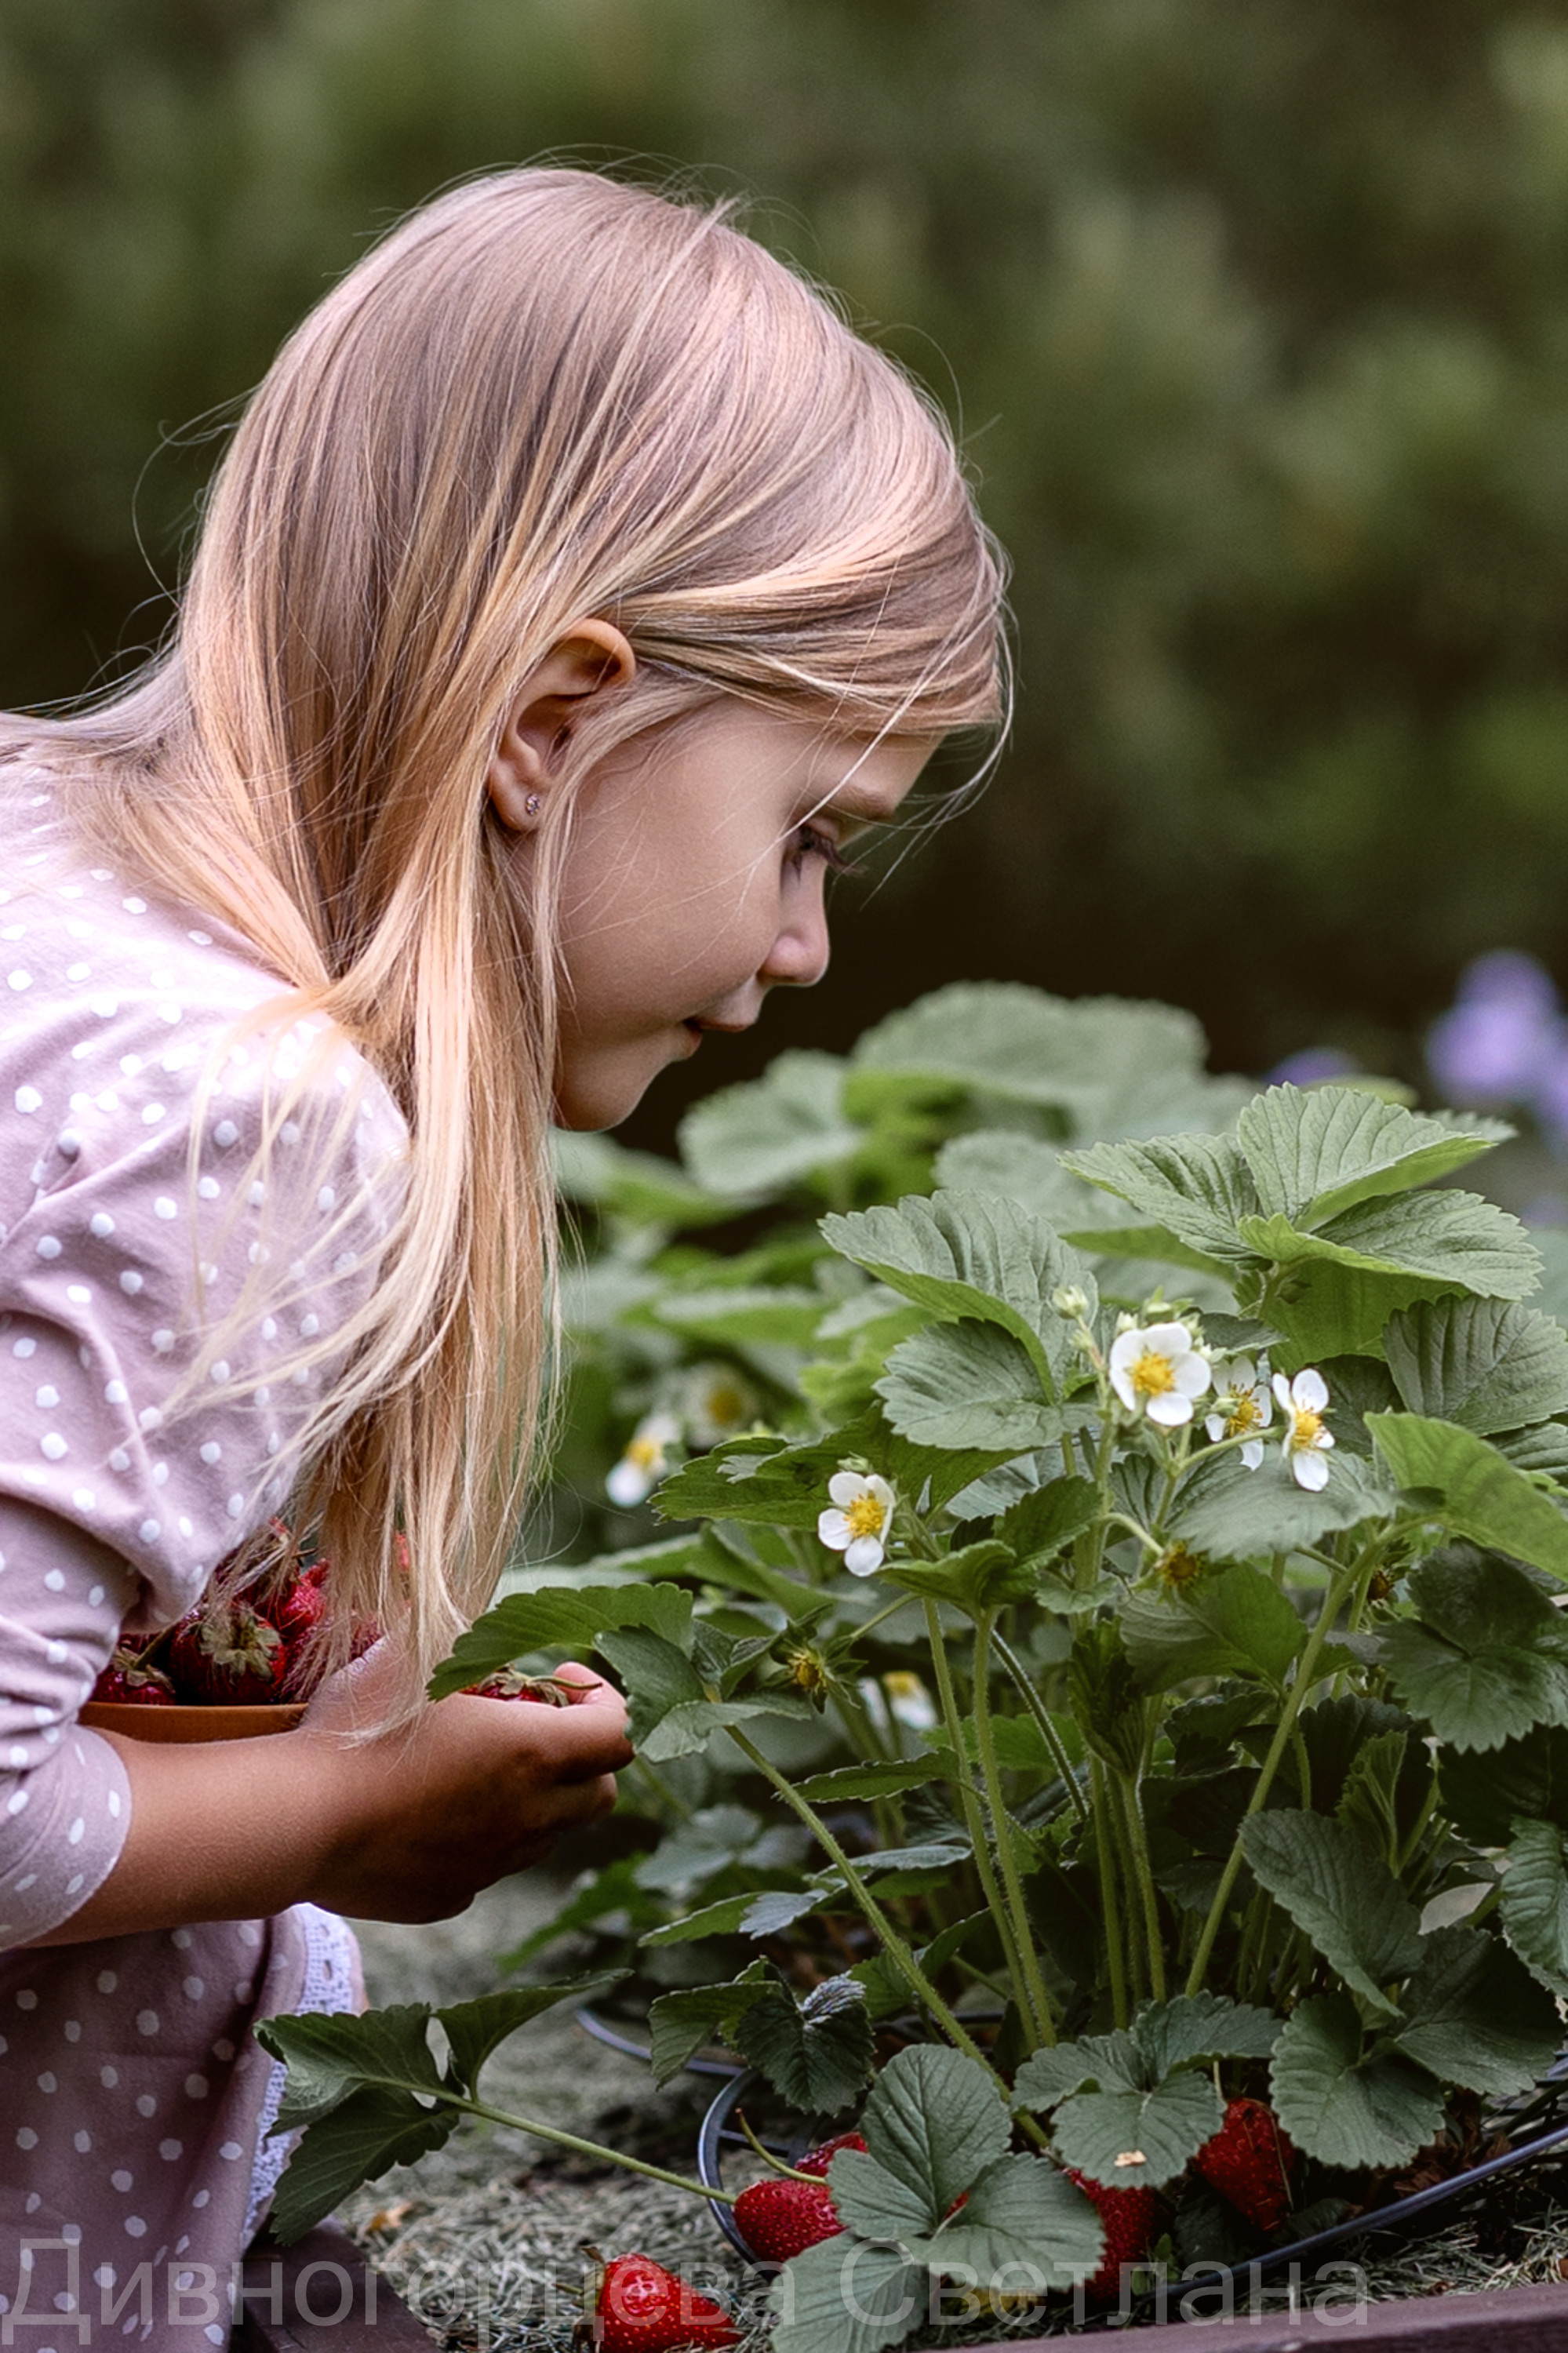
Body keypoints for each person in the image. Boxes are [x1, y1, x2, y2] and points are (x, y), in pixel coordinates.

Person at [0, 165, 1005, 2334]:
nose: (807, 946)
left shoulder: (39, 855)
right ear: (554, 723)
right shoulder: (253, 1123)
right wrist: (339, 1813)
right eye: (808, 832)